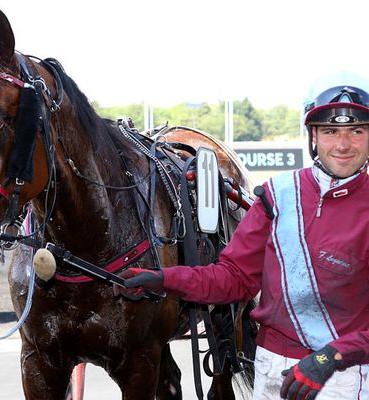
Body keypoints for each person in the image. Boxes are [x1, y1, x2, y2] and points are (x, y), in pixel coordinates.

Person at [113, 74, 369, 399]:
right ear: (314, 137)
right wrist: (162, 279)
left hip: (344, 376)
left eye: (356, 131)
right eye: (331, 132)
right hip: (271, 371)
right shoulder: (278, 195)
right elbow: (233, 279)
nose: (343, 145)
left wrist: (330, 357)